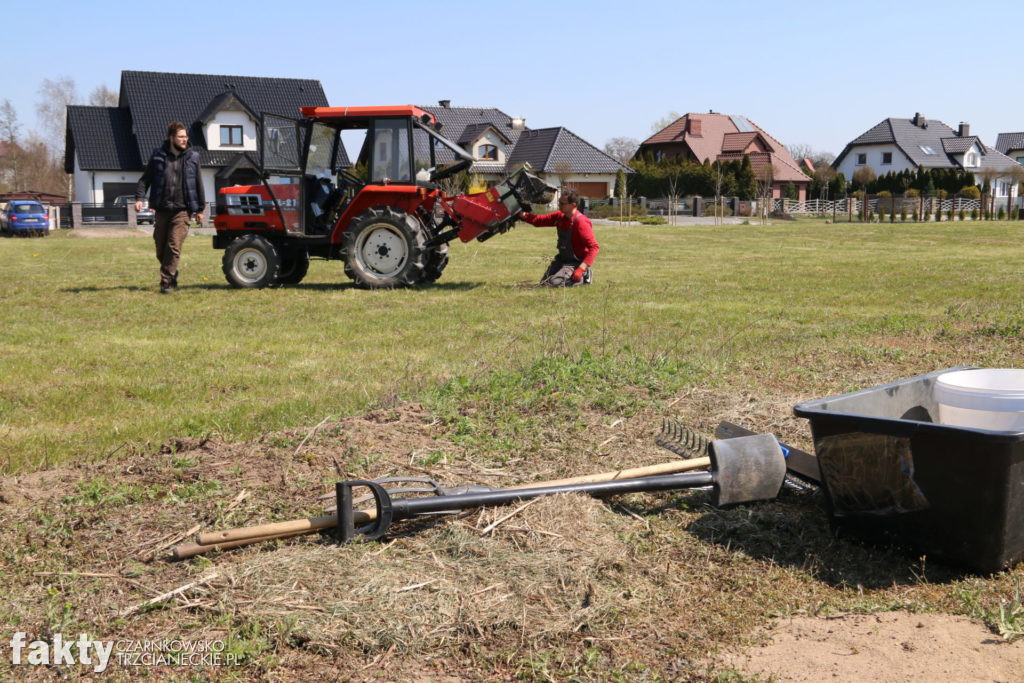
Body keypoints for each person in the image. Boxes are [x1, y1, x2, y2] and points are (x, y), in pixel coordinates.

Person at [135, 121, 205, 293]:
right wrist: (139, 198)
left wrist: (200, 209)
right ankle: (172, 272)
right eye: (181, 136)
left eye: (186, 136)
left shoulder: (193, 157)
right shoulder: (158, 156)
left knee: (173, 245)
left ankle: (165, 282)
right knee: (160, 248)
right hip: (162, 209)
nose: (185, 139)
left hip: (182, 210)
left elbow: (198, 183)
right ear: (171, 138)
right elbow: (145, 180)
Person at [517, 188, 599, 287]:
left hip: (576, 262)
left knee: (554, 283)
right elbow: (539, 221)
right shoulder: (559, 216)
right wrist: (522, 215)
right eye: (559, 202)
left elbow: (594, 248)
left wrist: (581, 268)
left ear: (573, 205)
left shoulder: (581, 222)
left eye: (562, 203)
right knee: (545, 283)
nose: (559, 205)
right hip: (561, 260)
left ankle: (584, 277)